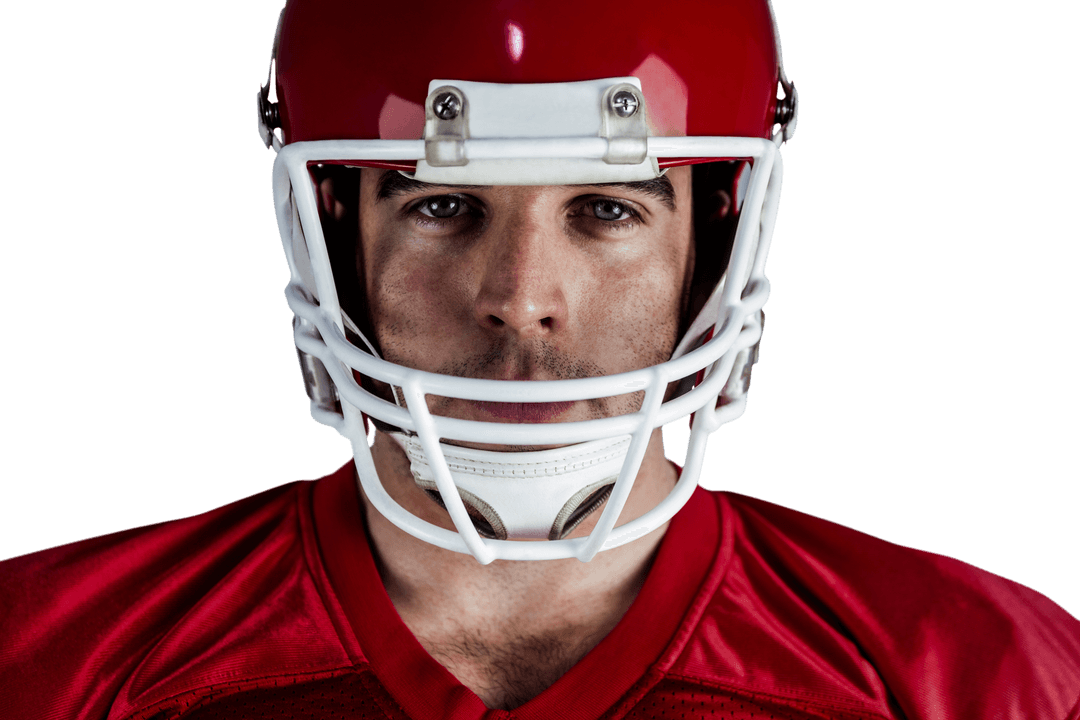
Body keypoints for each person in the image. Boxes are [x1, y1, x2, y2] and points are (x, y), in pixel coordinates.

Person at [2, 0, 1078, 718]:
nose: (520, 299)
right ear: (336, 237)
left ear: (711, 238)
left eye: (605, 208)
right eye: (444, 206)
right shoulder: (50, 661)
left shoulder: (978, 677)